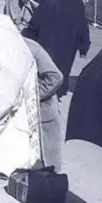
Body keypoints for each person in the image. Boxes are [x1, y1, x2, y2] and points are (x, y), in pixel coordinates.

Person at [23, 0, 90, 97]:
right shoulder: (78, 3)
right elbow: (83, 26)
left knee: (45, 72)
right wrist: (83, 47)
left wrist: (25, 39)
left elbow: (34, 25)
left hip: (48, 44)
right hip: (68, 46)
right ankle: (58, 92)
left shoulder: (48, 1)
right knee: (63, 69)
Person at [22, 38, 64, 171]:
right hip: (28, 114)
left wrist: (33, 95)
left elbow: (56, 77)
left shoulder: (34, 50)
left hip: (44, 115)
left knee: (48, 164)